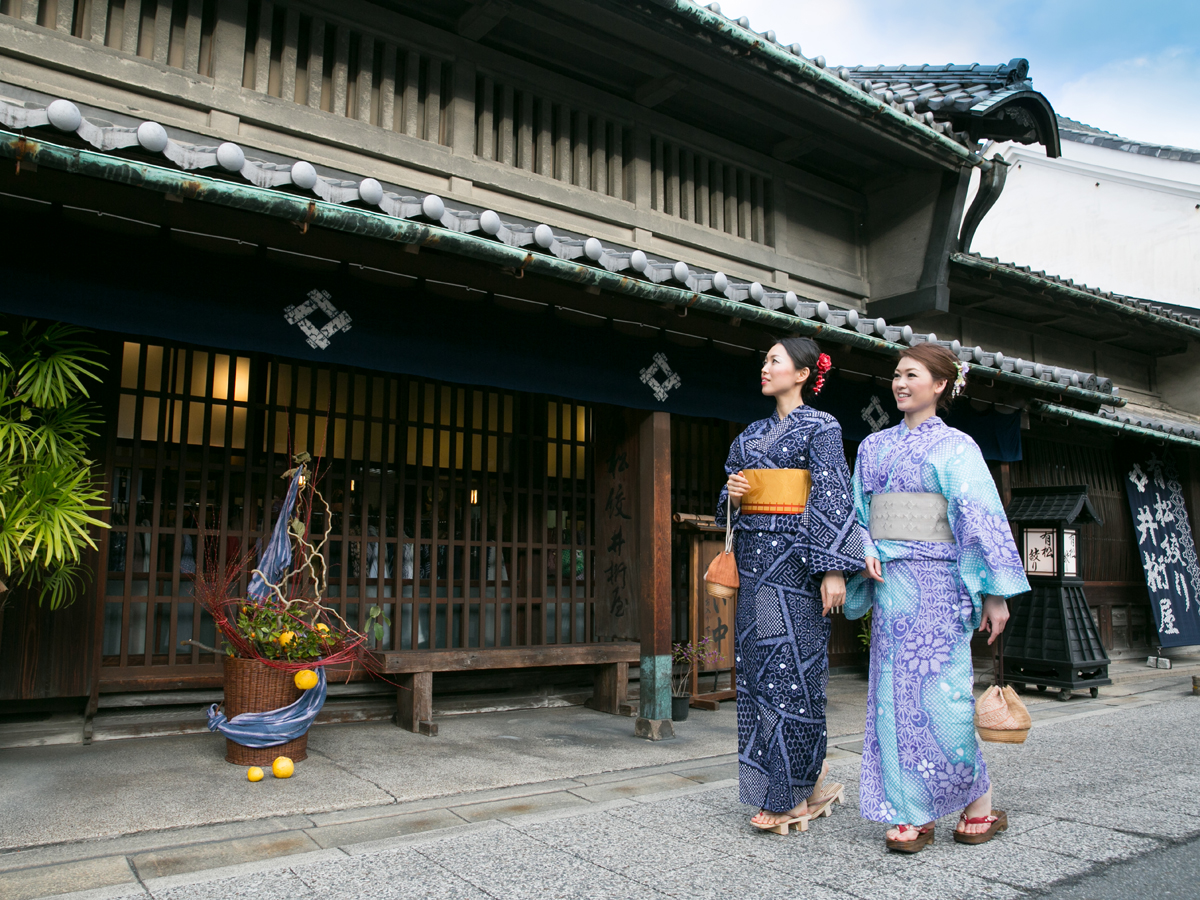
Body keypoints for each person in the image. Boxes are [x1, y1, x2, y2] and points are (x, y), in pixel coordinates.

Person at [845, 342, 1030, 852]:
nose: (900, 384)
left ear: (941, 384)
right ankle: (913, 810)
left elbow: (979, 520)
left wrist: (994, 595)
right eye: (897, 376)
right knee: (893, 701)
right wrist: (863, 548)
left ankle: (979, 803)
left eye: (912, 375)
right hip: (889, 588)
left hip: (940, 587)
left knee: (942, 698)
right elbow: (857, 512)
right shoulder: (873, 448)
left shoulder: (957, 448)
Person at [717, 336, 865, 834]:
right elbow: (729, 504)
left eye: (774, 361)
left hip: (798, 567)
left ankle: (793, 793)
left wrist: (832, 568)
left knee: (795, 678)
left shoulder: (822, 427)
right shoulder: (750, 435)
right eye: (764, 360)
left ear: (802, 374)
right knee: (759, 677)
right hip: (757, 568)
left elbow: (831, 493)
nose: (764, 367)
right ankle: (801, 780)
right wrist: (733, 493)